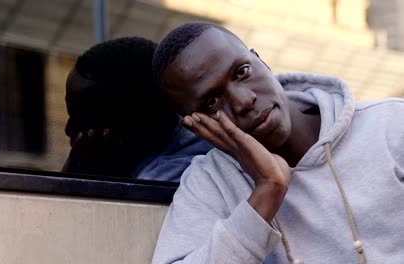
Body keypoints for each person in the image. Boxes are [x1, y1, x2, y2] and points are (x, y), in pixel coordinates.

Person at [151, 22, 404, 263]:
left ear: (262, 61)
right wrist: (267, 191)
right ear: (196, 126)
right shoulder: (210, 182)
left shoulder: (390, 124)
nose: (243, 101)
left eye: (242, 72)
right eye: (212, 102)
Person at [63, 36, 212, 181]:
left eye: (82, 121)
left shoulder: (169, 177)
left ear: (130, 127)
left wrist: (77, 173)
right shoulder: (178, 127)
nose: (68, 130)